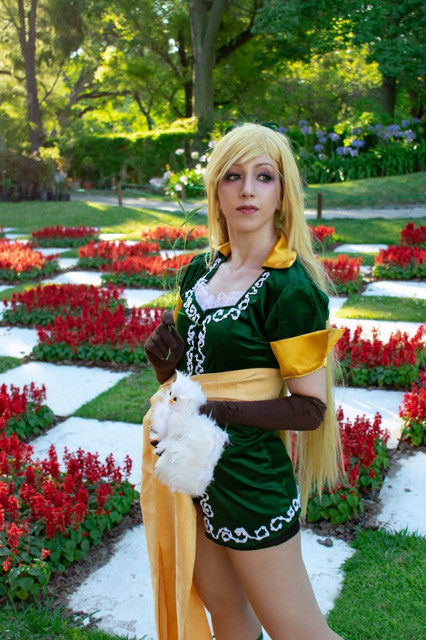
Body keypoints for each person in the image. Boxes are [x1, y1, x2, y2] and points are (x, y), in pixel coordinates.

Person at [141, 122, 345, 640]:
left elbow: (310, 409)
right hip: (190, 475)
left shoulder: (290, 287)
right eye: (233, 176)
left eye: (263, 176)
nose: (247, 190)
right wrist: (165, 368)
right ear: (216, 191)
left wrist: (222, 412)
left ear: (282, 193)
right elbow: (192, 378)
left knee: (298, 631)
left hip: (253, 481)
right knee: (225, 611)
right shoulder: (199, 273)